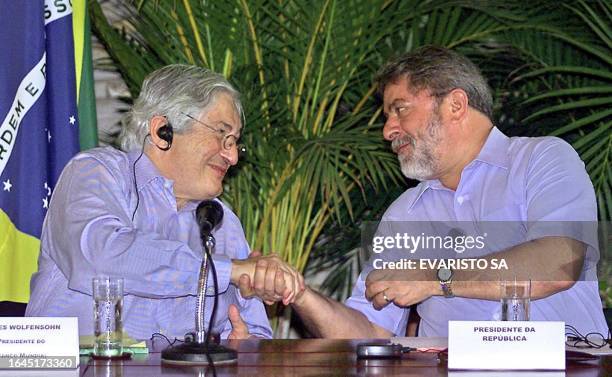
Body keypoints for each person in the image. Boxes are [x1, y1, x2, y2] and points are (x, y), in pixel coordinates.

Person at [241, 46, 608, 338]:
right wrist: (300, 294)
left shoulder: (542, 159)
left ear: (455, 105)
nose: (388, 130)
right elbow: (369, 332)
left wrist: (435, 277)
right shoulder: (405, 214)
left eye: (399, 110)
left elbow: (557, 265)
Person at [26, 65, 304, 340]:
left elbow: (255, 333)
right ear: (162, 131)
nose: (232, 157)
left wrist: (246, 349)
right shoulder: (95, 173)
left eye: (235, 143)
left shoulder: (220, 220)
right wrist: (229, 269)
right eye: (222, 135)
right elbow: (103, 257)